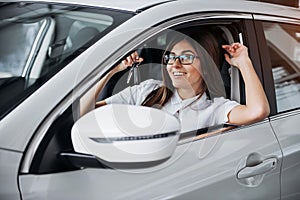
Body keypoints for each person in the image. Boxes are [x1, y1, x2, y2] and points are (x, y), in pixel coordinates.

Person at [82, 31, 270, 133]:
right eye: (171, 57)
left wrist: (243, 63)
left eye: (186, 57)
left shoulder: (215, 108)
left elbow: (258, 112)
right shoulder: (147, 89)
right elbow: (84, 112)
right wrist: (112, 70)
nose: (175, 65)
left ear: (206, 65)